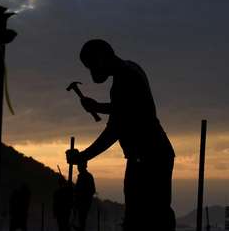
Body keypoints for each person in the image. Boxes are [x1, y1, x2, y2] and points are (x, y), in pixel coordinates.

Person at [66, 39, 175, 231]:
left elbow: (115, 128)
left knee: (143, 219)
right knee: (156, 215)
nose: (92, 73)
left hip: (148, 159)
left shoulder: (124, 81)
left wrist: (83, 156)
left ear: (102, 58)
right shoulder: (131, 70)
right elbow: (127, 109)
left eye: (91, 66)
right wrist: (98, 107)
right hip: (154, 154)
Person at [74, 160, 95, 231]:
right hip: (83, 202)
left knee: (81, 219)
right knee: (81, 220)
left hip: (83, 203)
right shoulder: (86, 176)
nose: (78, 167)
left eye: (79, 166)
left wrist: (82, 196)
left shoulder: (86, 176)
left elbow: (92, 190)